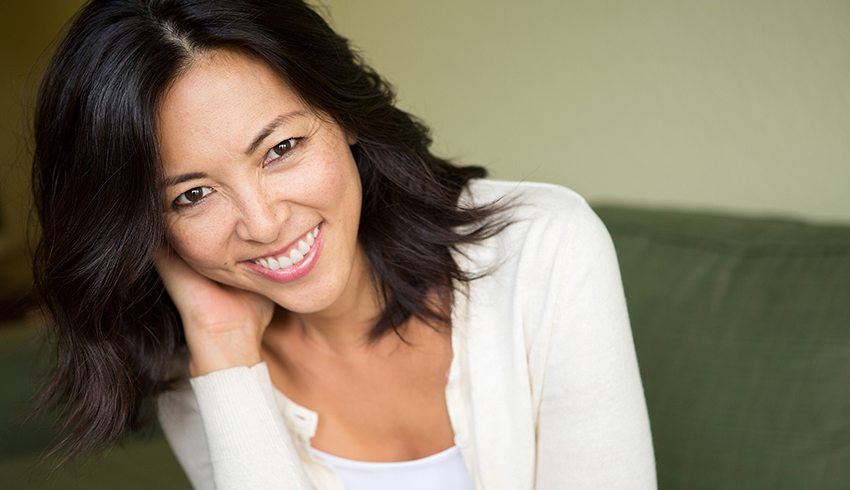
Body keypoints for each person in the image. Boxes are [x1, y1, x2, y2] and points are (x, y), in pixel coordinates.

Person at [31, 0, 657, 488]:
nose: (264, 223)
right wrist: (224, 352)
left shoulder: (545, 246)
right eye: (191, 195)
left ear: (344, 113)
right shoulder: (204, 365)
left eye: (281, 149)